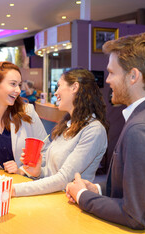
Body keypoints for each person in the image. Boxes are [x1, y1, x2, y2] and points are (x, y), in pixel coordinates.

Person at [66, 33, 145, 234]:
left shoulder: (142, 128)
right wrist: (96, 189)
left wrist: (81, 195)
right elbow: (144, 185)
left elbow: (135, 215)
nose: (107, 80)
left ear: (133, 76)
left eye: (112, 73)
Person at [12, 68, 108, 196]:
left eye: (59, 86)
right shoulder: (67, 125)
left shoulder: (94, 130)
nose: (56, 92)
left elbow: (63, 179)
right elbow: (52, 172)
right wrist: (38, 172)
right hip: (51, 200)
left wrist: (14, 189)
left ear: (74, 87)